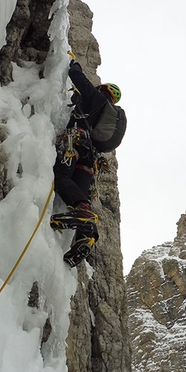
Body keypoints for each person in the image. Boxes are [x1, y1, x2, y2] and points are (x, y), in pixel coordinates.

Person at [51, 56, 122, 267]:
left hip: (75, 145)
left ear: (103, 90)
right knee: (81, 194)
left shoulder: (96, 99)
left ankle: (80, 209)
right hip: (89, 162)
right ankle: (87, 235)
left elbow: (77, 77)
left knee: (62, 177)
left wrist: (73, 62)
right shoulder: (110, 117)